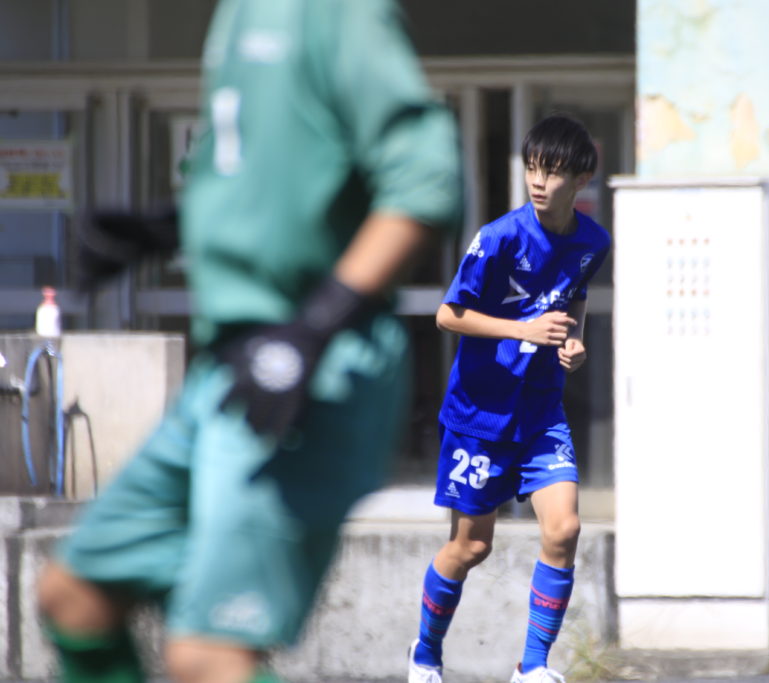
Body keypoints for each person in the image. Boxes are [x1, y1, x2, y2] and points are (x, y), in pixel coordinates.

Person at [35, 1, 463, 682]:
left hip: (309, 368)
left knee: (207, 655)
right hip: (230, 368)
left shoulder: (334, 11)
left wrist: (311, 329)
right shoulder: (237, 14)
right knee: (75, 596)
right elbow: (275, 176)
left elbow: (427, 182)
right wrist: (168, 227)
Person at [407, 114, 610, 683]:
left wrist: (573, 340)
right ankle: (424, 654)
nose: (539, 182)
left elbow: (574, 296)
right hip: (479, 416)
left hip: (541, 410)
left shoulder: (594, 241)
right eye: (532, 169)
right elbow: (448, 315)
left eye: (553, 172)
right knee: (471, 548)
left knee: (564, 529)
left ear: (582, 178)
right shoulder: (499, 238)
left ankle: (532, 667)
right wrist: (523, 330)